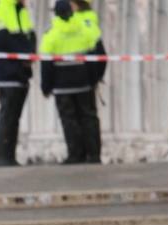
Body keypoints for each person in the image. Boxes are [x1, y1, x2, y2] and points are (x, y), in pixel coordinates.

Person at [39, 1, 99, 165]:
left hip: (62, 86)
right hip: (83, 84)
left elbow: (46, 65)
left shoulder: (51, 35)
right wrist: (94, 80)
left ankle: (75, 155)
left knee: (69, 120)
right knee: (89, 118)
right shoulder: (82, 30)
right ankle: (93, 155)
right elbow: (92, 57)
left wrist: (46, 87)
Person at [0, 0, 36, 167]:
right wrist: (25, 53)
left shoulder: (20, 9)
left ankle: (9, 156)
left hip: (20, 72)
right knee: (7, 115)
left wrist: (29, 54)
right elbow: (0, 38)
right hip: (5, 72)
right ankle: (1, 157)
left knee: (13, 116)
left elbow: (30, 35)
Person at [71, 0, 106, 163]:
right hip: (77, 79)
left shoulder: (85, 21)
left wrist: (94, 77)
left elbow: (99, 52)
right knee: (78, 117)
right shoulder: (81, 20)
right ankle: (82, 154)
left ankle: (91, 155)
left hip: (83, 80)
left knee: (86, 117)